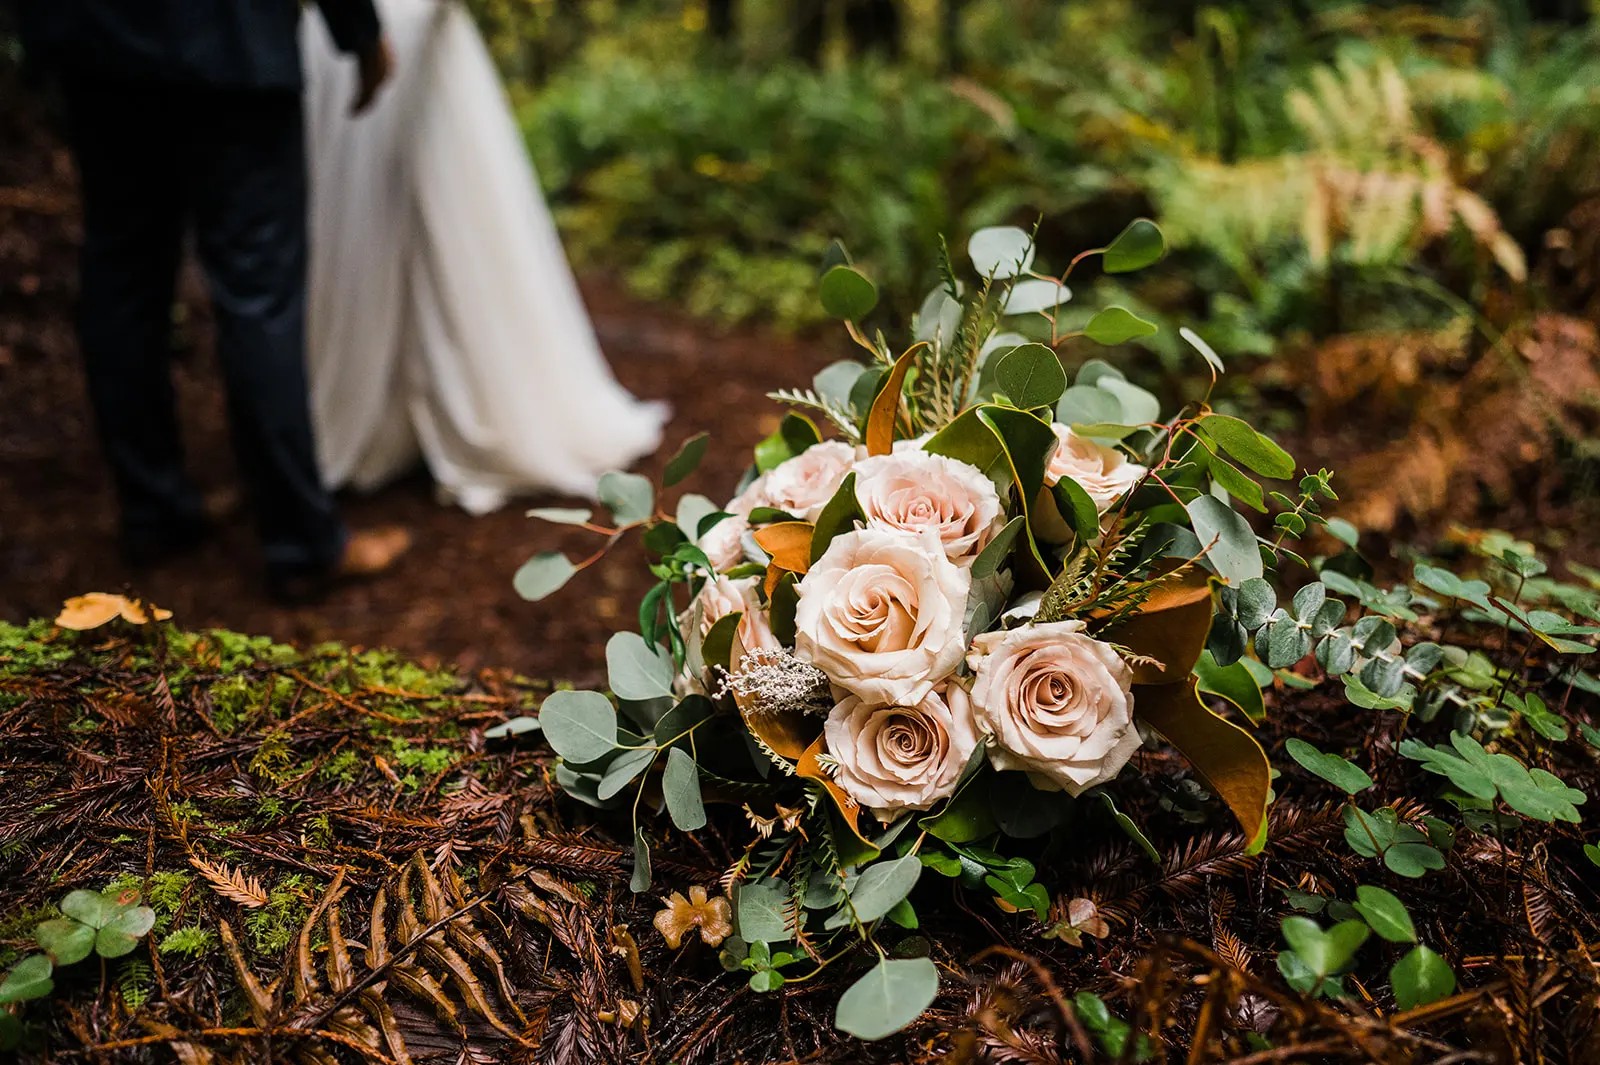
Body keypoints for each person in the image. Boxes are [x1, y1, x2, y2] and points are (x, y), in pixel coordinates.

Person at [17, 0, 414, 599]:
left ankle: (154, 511)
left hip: (96, 39)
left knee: (123, 273)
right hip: (233, 40)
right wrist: (358, 32)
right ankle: (301, 544)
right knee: (257, 293)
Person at [300, 0, 667, 516]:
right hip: (349, 33)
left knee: (449, 215)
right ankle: (369, 413)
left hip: (406, 30)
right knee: (358, 219)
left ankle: (461, 404)